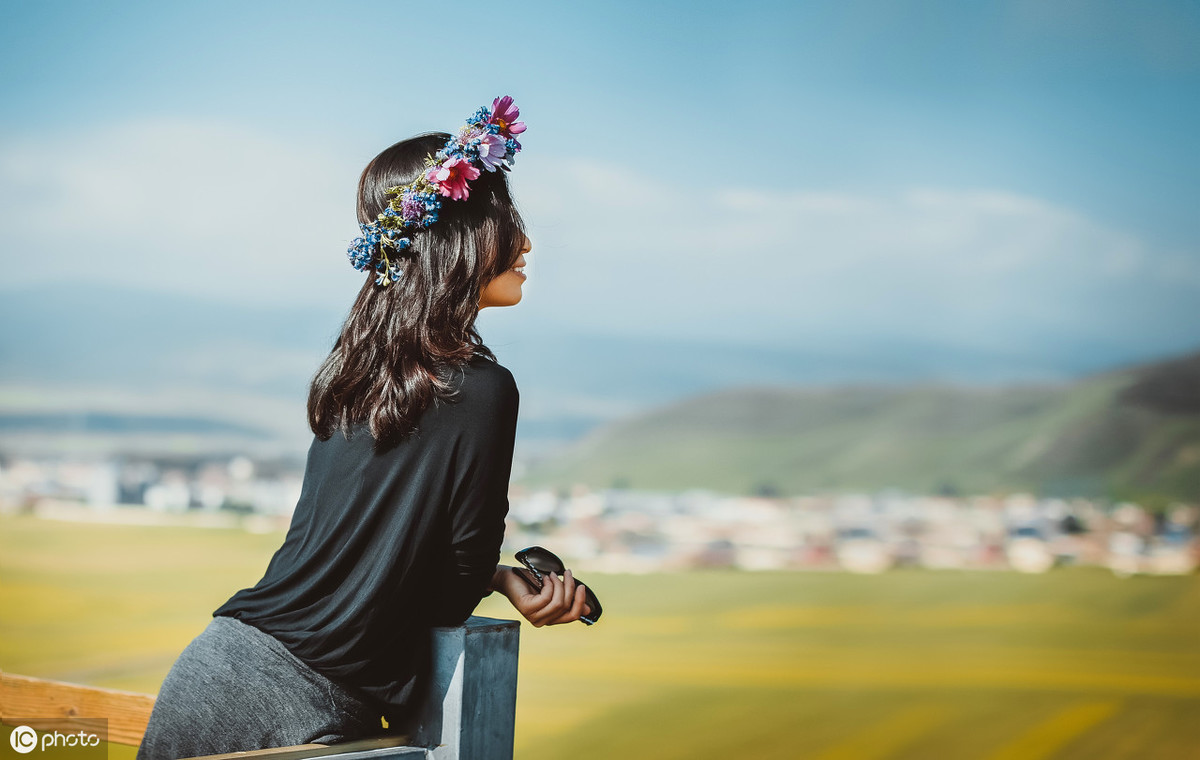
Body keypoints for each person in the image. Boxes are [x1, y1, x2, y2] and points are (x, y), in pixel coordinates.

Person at [136, 95, 590, 760]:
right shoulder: (483, 389)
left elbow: (362, 550)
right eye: (507, 222)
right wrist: (493, 578)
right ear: (458, 238)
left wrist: (491, 576)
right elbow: (448, 592)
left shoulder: (357, 372)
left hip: (215, 668)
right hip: (304, 706)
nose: (525, 243)